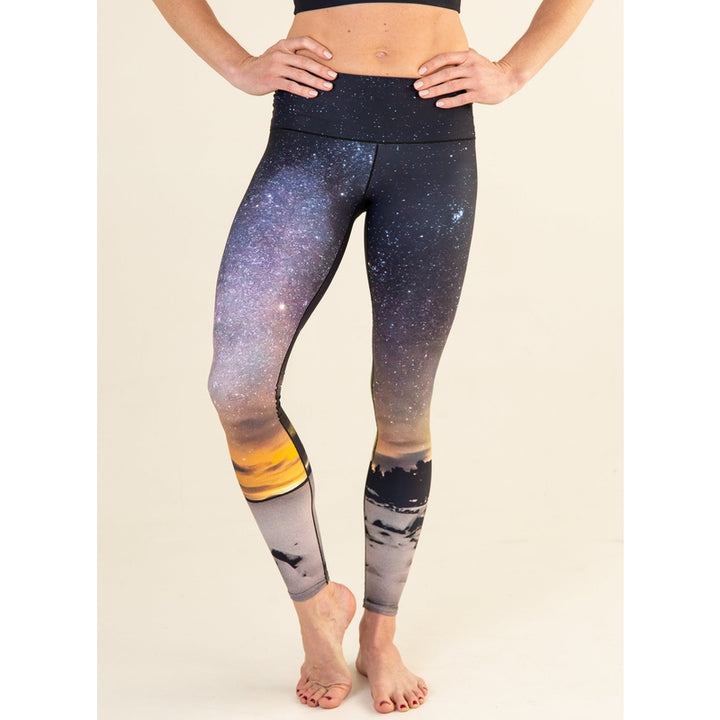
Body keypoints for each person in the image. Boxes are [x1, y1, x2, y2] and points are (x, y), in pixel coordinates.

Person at [151, 0, 593, 712]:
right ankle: (316, 607)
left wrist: (515, 71)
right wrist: (236, 65)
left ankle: (381, 635)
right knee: (238, 387)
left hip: (432, 138)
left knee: (403, 408)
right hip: (312, 131)